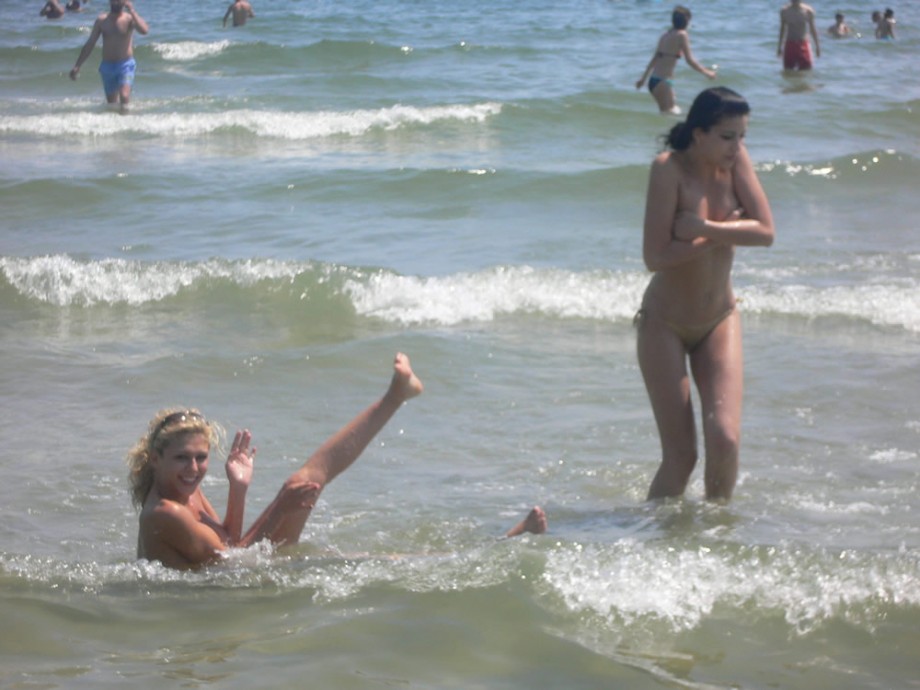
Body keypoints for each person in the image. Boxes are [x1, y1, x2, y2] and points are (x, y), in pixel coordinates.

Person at [128, 353, 545, 570]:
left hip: (235, 573)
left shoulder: (183, 489)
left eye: (201, 457)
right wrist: (259, 502)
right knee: (355, 549)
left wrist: (240, 491)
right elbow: (230, 567)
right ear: (155, 458)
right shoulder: (165, 512)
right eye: (182, 458)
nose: (194, 468)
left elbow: (227, 544)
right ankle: (501, 546)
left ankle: (396, 395)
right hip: (224, 596)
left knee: (307, 485)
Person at [635, 87, 775, 502]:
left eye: (742, 136)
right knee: (681, 456)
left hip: (719, 318)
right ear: (699, 134)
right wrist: (726, 231)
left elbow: (765, 233)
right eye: (727, 136)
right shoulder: (668, 169)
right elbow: (655, 256)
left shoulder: (736, 166)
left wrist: (704, 231)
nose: (737, 146)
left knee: (726, 438)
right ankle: (658, 543)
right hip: (664, 323)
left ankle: (716, 537)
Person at [69, 0, 149, 112]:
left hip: (125, 65)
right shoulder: (102, 20)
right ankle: (116, 125)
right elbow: (90, 43)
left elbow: (144, 30)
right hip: (107, 66)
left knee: (124, 96)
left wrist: (132, 11)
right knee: (112, 104)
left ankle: (127, 122)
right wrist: (77, 65)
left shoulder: (129, 19)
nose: (117, 2)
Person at [636, 6, 716, 115]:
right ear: (687, 20)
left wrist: (643, 79)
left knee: (669, 113)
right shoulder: (682, 35)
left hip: (654, 80)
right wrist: (707, 72)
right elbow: (690, 60)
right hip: (663, 81)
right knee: (671, 114)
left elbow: (654, 58)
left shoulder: (665, 35)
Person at [777, 0, 820, 71]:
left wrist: (817, 47)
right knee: (788, 71)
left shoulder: (808, 11)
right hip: (790, 44)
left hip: (804, 44)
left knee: (807, 70)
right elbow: (782, 30)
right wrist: (779, 47)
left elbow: (813, 30)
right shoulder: (784, 11)